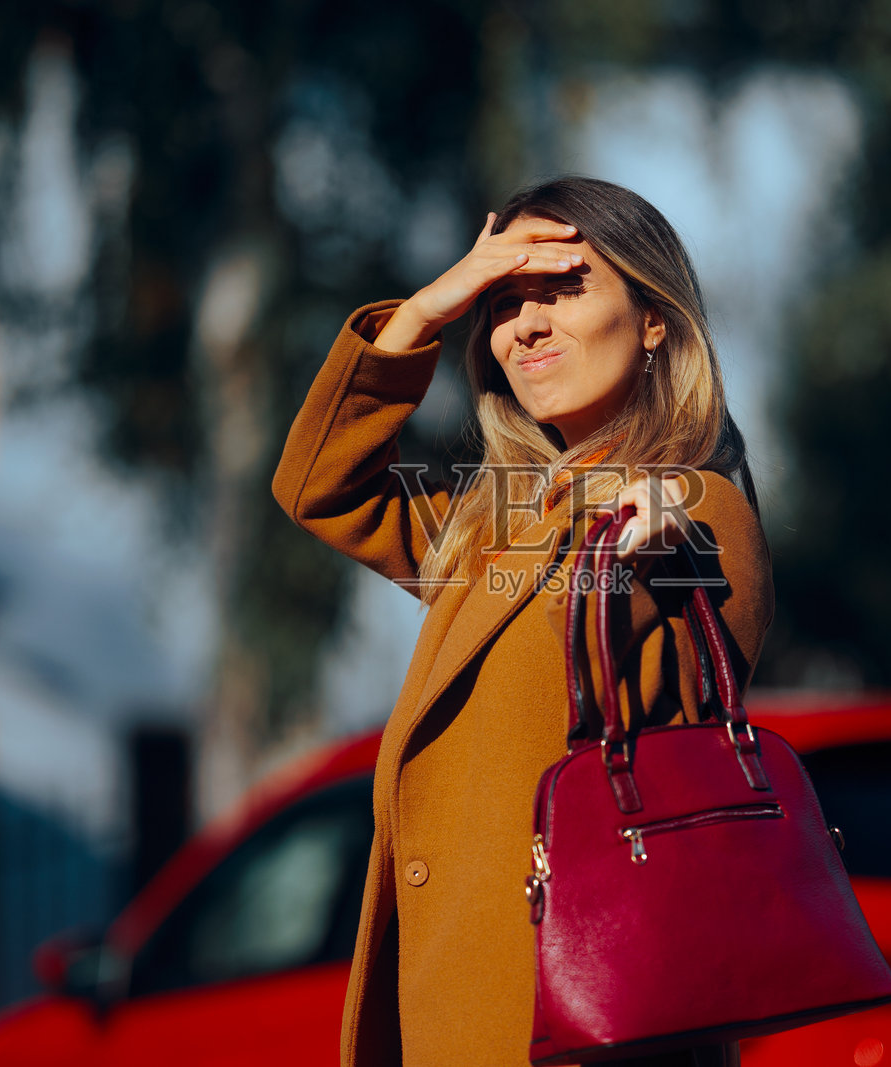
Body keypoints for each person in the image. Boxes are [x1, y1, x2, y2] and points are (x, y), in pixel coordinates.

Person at [272, 176, 775, 1067]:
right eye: (504, 303)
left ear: (653, 321)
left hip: (581, 1033)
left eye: (563, 288)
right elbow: (321, 486)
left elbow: (669, 632)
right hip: (452, 1020)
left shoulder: (697, 504)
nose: (526, 325)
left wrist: (656, 546)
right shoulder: (496, 524)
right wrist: (425, 309)